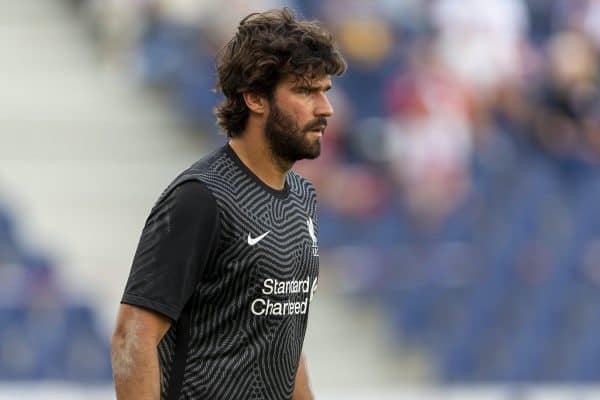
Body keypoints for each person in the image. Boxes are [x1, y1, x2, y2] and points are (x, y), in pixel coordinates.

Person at [111, 7, 346, 400]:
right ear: (255, 97)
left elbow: (283, 345)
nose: (326, 109)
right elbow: (131, 336)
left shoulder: (303, 199)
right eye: (306, 91)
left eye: (325, 91)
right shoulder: (201, 197)